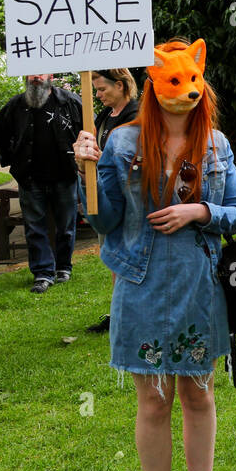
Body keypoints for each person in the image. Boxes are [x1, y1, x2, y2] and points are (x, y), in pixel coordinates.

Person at [72, 39, 236, 471]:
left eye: (194, 82)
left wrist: (200, 214)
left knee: (198, 395)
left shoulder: (216, 144)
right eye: (174, 82)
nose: (187, 93)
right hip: (142, 284)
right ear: (152, 83)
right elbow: (102, 221)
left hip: (200, 285)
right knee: (152, 400)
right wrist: (88, 168)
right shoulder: (122, 143)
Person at [0, 72, 83, 293]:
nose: (36, 76)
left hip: (65, 174)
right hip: (30, 176)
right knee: (34, 228)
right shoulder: (16, 104)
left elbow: (86, 130)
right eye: (31, 71)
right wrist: (11, 158)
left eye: (41, 71)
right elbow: (0, 130)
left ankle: (63, 267)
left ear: (50, 74)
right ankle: (43, 273)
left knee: (67, 226)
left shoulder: (70, 101)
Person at [84, 68, 141, 334]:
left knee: (127, 255)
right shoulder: (105, 116)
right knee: (112, 256)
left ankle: (128, 312)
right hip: (105, 198)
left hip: (128, 201)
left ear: (120, 86)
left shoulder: (138, 117)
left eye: (102, 89)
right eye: (95, 90)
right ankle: (119, 310)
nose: (98, 95)